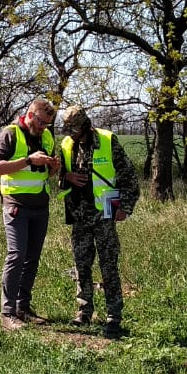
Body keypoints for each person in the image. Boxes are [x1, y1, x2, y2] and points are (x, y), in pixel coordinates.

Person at [57, 105, 139, 339]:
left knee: (108, 265)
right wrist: (67, 177)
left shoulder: (107, 140)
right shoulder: (66, 145)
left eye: (74, 129)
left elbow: (129, 177)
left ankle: (114, 316)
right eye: (68, 129)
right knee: (81, 265)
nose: (70, 133)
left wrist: (125, 207)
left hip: (105, 211)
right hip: (79, 215)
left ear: (85, 125)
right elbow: (59, 178)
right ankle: (84, 311)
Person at [0, 97, 60, 330]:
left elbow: (43, 175)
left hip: (40, 205)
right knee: (16, 255)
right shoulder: (9, 134)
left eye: (46, 124)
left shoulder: (47, 137)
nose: (42, 127)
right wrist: (28, 159)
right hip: (15, 205)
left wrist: (52, 168)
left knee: (32, 258)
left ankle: (23, 307)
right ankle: (7, 313)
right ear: (30, 114)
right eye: (40, 122)